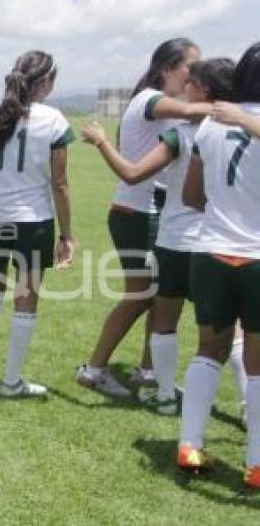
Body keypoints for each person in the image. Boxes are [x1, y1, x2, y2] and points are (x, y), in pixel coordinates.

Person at [81, 58, 243, 414]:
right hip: (228, 243)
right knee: (231, 330)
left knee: (162, 315)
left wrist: (102, 142)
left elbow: (136, 173)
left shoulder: (183, 134)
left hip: (176, 239)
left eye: (192, 81)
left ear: (202, 90)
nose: (186, 85)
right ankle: (247, 408)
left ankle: (164, 392)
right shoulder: (246, 131)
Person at [76, 38, 207, 399]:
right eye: (190, 67)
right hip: (137, 214)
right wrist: (238, 105)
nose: (194, 75)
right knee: (141, 294)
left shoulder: (152, 101)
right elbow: (196, 113)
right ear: (166, 68)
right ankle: (95, 368)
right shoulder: (152, 99)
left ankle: (149, 372)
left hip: (144, 212)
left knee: (158, 294)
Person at [0, 50, 74, 404]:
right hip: (32, 220)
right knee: (26, 300)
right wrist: (67, 234)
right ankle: (11, 381)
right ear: (44, 82)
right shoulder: (54, 119)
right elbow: (59, 183)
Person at [177, 42, 260, 489]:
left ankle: (189, 444)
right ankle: (257, 462)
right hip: (257, 256)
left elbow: (191, 196)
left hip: (210, 251)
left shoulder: (211, 123)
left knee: (208, 350)